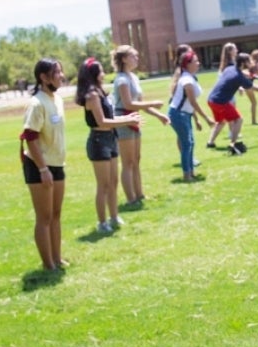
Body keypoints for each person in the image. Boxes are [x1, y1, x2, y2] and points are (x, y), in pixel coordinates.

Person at [78, 58, 141, 234]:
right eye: (101, 71)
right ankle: (102, 222)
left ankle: (114, 217)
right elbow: (102, 122)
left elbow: (111, 118)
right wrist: (128, 120)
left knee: (113, 182)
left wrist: (128, 119)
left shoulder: (101, 92)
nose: (104, 74)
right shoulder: (92, 95)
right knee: (103, 185)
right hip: (99, 141)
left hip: (110, 138)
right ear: (94, 74)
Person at [21, 58, 68, 272]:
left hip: (57, 164)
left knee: (56, 214)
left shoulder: (57, 99)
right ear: (43, 77)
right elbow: (30, 137)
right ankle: (47, 264)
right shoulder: (36, 103)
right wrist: (43, 169)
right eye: (56, 72)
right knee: (44, 217)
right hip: (40, 167)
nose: (61, 76)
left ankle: (57, 259)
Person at [111, 45, 169, 208]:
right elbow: (128, 103)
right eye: (133, 56)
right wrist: (153, 103)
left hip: (134, 118)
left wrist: (159, 115)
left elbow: (140, 104)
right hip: (124, 119)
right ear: (123, 59)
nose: (137, 59)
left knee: (136, 160)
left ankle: (139, 194)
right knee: (128, 162)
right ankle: (131, 198)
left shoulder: (134, 78)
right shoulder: (121, 79)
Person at [206, 53, 258, 153]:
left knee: (221, 121)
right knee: (238, 119)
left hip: (211, 100)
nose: (251, 63)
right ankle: (232, 144)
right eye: (249, 61)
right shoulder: (239, 77)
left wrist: (253, 76)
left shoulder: (229, 68)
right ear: (243, 63)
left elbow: (238, 75)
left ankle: (210, 142)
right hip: (221, 102)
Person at [169, 50, 214, 182]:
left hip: (185, 114)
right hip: (178, 114)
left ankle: (190, 172)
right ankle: (187, 175)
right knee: (186, 144)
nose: (198, 63)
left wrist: (196, 120)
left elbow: (189, 103)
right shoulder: (187, 80)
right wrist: (206, 118)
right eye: (195, 61)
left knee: (190, 143)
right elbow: (193, 102)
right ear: (187, 64)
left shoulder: (190, 77)